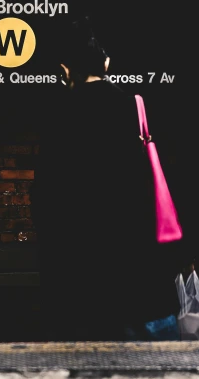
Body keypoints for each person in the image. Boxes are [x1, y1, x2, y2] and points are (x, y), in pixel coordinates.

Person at [32, 18, 186, 342]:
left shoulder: (57, 118)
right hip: (142, 280)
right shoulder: (135, 108)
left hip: (82, 289)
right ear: (105, 63)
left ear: (64, 70)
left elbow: (45, 205)